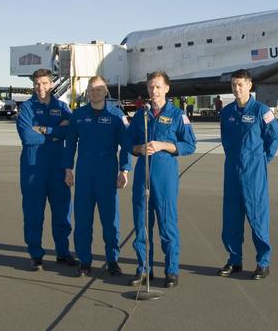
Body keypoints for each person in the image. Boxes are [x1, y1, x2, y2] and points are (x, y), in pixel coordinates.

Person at [125, 71, 196, 289]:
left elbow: (189, 145)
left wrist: (164, 145)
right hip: (142, 175)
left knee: (167, 223)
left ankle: (171, 270)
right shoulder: (141, 115)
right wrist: (139, 148)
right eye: (150, 87)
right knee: (142, 223)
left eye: (157, 87)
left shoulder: (177, 115)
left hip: (165, 176)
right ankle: (144, 269)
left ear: (166, 88)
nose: (153, 91)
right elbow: (129, 143)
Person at [63, 76, 131, 277]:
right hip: (84, 171)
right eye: (91, 90)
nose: (95, 93)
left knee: (110, 220)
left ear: (106, 91)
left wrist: (124, 170)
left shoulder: (116, 115)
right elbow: (70, 144)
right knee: (83, 219)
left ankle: (112, 260)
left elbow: (126, 145)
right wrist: (68, 169)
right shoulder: (78, 115)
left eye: (99, 89)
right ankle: (84, 261)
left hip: (107, 171)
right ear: (87, 92)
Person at [218, 69, 278, 280]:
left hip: (254, 173)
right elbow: (226, 139)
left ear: (249, 86)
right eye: (234, 85)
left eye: (241, 84)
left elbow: (275, 138)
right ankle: (234, 260)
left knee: (257, 217)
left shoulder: (261, 111)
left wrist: (262, 160)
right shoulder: (227, 113)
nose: (237, 88)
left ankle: (263, 263)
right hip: (232, 172)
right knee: (231, 219)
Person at [16, 68, 75, 271]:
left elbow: (70, 132)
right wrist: (56, 133)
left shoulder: (62, 107)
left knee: (62, 214)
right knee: (33, 215)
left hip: (58, 170)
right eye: (36, 84)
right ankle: (36, 255)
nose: (40, 87)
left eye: (44, 83)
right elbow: (27, 137)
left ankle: (63, 253)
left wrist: (44, 130)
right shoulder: (26, 108)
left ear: (51, 84)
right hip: (33, 171)